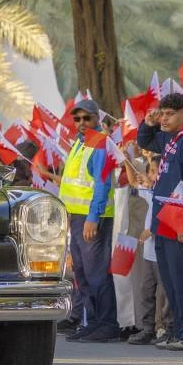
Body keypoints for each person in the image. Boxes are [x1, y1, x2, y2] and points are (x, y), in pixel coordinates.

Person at [137, 93, 183, 349]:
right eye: (162, 113)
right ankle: (178, 329)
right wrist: (148, 122)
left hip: (179, 219)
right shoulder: (171, 138)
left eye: (169, 114)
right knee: (170, 281)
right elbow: (144, 140)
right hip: (163, 220)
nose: (164, 118)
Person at [58, 98, 120, 343]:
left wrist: (93, 218)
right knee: (82, 273)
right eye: (77, 119)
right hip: (77, 218)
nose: (82, 123)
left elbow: (102, 185)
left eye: (87, 118)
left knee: (97, 274)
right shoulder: (79, 144)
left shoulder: (100, 144)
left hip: (94, 218)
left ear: (97, 119)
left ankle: (107, 323)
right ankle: (92, 322)